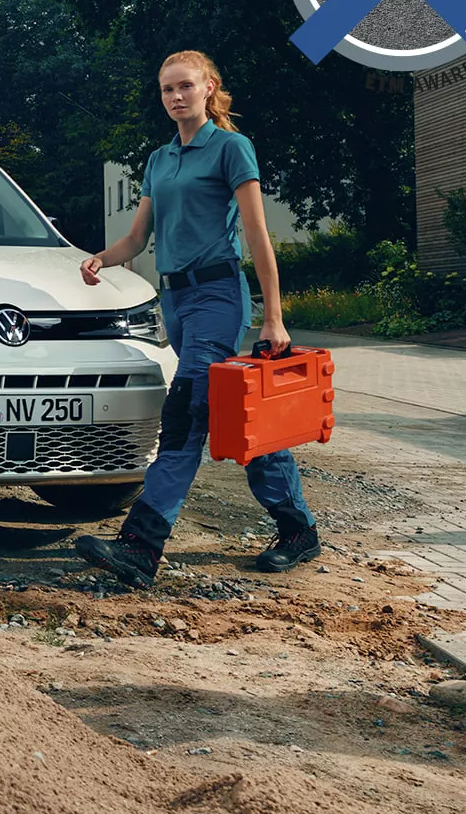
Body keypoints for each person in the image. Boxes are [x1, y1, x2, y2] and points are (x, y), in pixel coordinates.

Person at [73, 51, 320, 589]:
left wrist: (272, 317)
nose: (176, 97)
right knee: (238, 411)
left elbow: (257, 234)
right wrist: (101, 258)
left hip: (218, 294)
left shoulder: (232, 148)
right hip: (177, 302)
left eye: (185, 86)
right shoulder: (159, 159)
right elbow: (139, 238)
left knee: (184, 412)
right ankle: (298, 528)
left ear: (209, 87)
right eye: (166, 90)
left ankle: (141, 545)